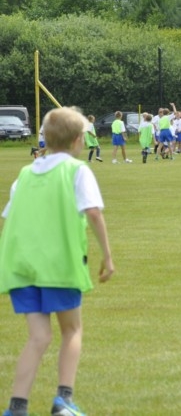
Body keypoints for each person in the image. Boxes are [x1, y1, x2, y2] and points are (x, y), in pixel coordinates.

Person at [0, 107, 115, 416]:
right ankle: (63, 400)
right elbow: (93, 212)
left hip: (23, 268)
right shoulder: (77, 171)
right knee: (72, 330)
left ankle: (17, 407)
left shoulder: (24, 175)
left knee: (38, 337)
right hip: (59, 266)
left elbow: (10, 216)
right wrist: (107, 255)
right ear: (78, 140)